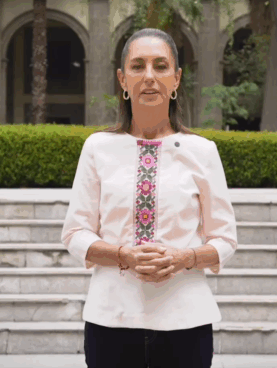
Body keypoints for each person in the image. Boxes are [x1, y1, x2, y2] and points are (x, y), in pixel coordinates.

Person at [61, 28, 238, 368]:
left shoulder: (203, 151)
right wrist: (122, 255)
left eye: (161, 66)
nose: (149, 77)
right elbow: (75, 233)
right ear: (122, 80)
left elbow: (225, 238)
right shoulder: (97, 148)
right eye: (137, 66)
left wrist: (184, 258)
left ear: (177, 79)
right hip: (111, 320)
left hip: (185, 322)